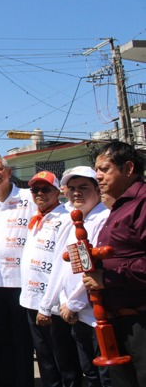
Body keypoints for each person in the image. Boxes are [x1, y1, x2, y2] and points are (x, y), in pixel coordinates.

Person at [39, 166, 112, 387]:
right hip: (77, 314)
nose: (76, 193)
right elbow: (64, 267)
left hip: (96, 314)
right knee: (89, 372)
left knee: (105, 375)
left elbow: (91, 270)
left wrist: (72, 303)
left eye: (83, 188)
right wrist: (57, 302)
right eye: (72, 188)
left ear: (97, 190)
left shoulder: (103, 219)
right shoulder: (76, 221)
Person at [82, 141, 146, 387]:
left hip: (139, 322)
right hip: (116, 322)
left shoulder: (141, 203)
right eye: (96, 169)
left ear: (128, 168)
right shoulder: (119, 207)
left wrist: (106, 278)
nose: (98, 176)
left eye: (105, 169)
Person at [0, 154, 36, 387]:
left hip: (22, 284)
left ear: (9, 172)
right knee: (0, 342)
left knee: (22, 343)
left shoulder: (27, 198)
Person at [20, 171, 81, 387]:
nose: (39, 193)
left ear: (57, 192)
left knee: (64, 363)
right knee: (46, 363)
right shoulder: (36, 219)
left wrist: (47, 306)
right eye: (35, 190)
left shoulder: (65, 220)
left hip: (53, 306)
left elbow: (62, 265)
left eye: (45, 189)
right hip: (32, 301)